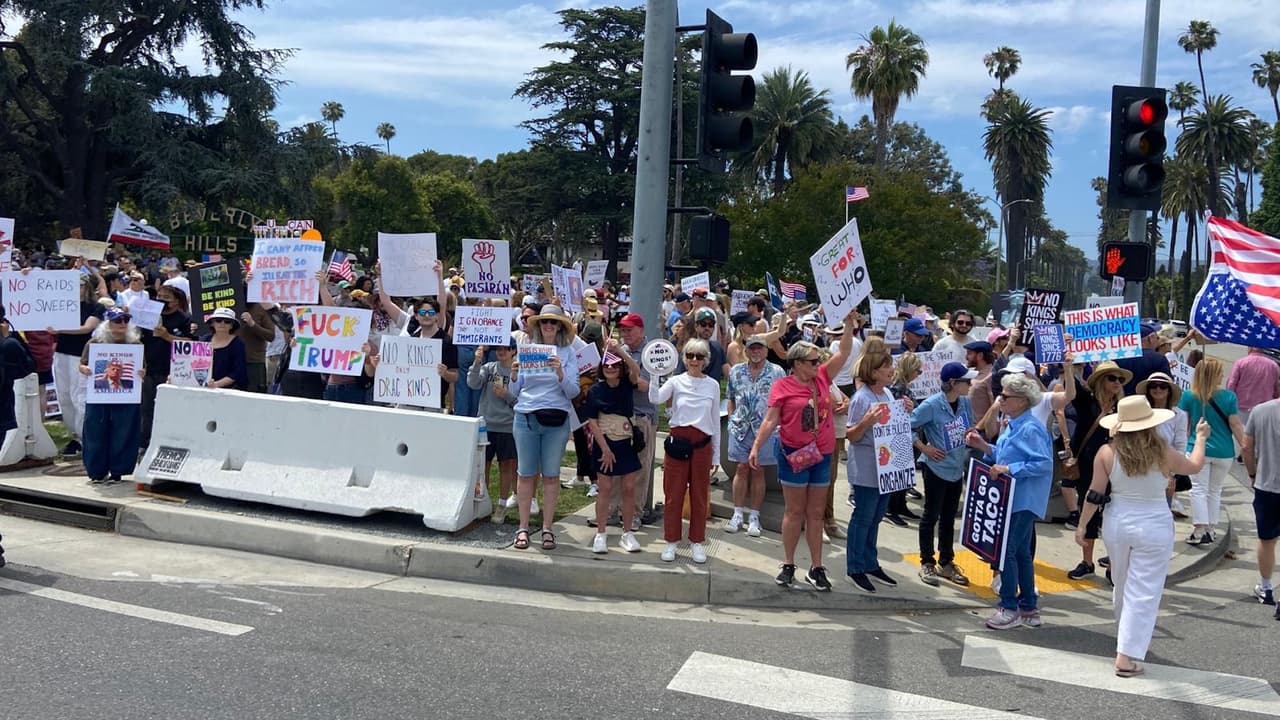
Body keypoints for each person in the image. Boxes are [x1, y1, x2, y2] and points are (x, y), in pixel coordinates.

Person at [1076, 396, 1211, 675]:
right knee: (1144, 590)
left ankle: (1124, 638)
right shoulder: (1161, 451)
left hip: (1117, 521)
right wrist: (1199, 438)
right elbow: (1194, 466)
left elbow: (1095, 493)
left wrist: (1082, 526)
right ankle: (1126, 654)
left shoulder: (1106, 452)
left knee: (1122, 583)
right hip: (1154, 523)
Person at [750, 322, 858, 590]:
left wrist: (847, 325)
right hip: (793, 455)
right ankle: (788, 563)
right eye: (811, 360)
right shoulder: (782, 386)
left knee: (816, 513)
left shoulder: (822, 377)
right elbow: (770, 420)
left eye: (817, 359)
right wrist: (756, 447)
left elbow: (843, 352)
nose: (817, 363)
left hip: (821, 454)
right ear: (797, 363)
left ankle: (817, 566)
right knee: (794, 511)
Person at [965, 373, 1054, 630]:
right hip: (1013, 497)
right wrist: (984, 446)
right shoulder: (1013, 423)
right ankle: (1028, 607)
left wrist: (1009, 469)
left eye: (1005, 396)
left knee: (1007, 553)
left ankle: (1009, 607)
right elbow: (1003, 456)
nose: (1000, 399)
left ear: (1022, 401)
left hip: (1024, 498)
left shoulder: (1031, 427)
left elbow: (1043, 464)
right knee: (1021, 553)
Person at [510, 304, 581, 552]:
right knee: (525, 474)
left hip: (556, 420)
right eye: (544, 322)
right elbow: (514, 393)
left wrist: (560, 372)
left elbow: (574, 391)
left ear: (560, 326)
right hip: (526, 416)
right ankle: (523, 526)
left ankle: (548, 528)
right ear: (538, 326)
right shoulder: (526, 351)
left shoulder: (568, 353)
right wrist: (513, 376)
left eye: (553, 322)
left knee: (551, 475)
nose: (548, 326)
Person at [844, 342, 911, 593]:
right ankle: (855, 566)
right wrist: (866, 421)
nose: (891, 371)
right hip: (867, 467)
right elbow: (851, 435)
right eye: (887, 367)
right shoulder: (861, 399)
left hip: (886, 466)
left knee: (875, 517)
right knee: (862, 517)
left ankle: (870, 562)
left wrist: (905, 411)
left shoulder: (888, 394)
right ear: (873, 372)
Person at [650, 337, 721, 564]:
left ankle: (697, 541)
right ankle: (671, 540)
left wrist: (716, 454)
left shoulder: (713, 385)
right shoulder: (676, 381)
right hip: (679, 442)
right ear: (684, 358)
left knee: (699, 496)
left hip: (702, 444)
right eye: (690, 355)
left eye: (699, 356)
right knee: (673, 495)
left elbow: (715, 422)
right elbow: (655, 398)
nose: (694, 360)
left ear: (705, 361)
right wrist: (653, 374)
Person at [911, 362, 976, 587]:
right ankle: (927, 561)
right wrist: (923, 447)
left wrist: (971, 434)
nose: (970, 384)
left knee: (949, 518)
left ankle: (946, 562)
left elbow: (970, 426)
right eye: (966, 381)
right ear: (952, 383)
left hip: (956, 468)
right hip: (935, 467)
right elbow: (907, 425)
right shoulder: (931, 405)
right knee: (931, 515)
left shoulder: (966, 403)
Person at [1065, 360, 1131, 580]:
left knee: (1114, 514)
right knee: (1089, 507)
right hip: (1088, 464)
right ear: (1101, 381)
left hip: (1117, 466)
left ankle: (1113, 564)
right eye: (1112, 378)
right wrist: (1068, 365)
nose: (1117, 383)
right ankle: (1087, 561)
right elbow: (1071, 389)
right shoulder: (1088, 402)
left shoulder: (1123, 407)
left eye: (1120, 379)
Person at [1178, 357, 1246, 545]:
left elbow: (1184, 424)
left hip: (1197, 448)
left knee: (1198, 489)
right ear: (1215, 375)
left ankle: (1200, 528)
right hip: (1224, 451)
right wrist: (1245, 445)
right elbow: (1235, 423)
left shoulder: (1189, 396)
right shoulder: (1229, 396)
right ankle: (1211, 528)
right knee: (1215, 490)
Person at [584, 351, 643, 554]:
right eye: (607, 365)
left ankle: (627, 533)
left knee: (628, 488)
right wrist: (605, 449)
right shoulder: (595, 391)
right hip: (605, 442)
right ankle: (601, 533)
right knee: (605, 488)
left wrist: (620, 351)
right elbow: (592, 421)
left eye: (615, 366)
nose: (610, 369)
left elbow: (636, 369)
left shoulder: (627, 384)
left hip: (626, 441)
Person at [725, 336, 785, 538]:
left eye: (760, 348)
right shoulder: (736, 371)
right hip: (740, 428)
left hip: (765, 430)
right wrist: (733, 417)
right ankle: (737, 513)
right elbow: (731, 397)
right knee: (740, 469)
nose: (756, 351)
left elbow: (783, 402)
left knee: (758, 471)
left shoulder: (777, 372)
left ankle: (754, 516)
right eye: (752, 348)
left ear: (766, 351)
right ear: (747, 350)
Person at [78, 308, 144, 485]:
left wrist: (142, 372)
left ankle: (118, 471)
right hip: (99, 396)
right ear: (108, 323)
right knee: (95, 432)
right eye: (117, 321)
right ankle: (96, 471)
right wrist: (85, 369)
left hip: (126, 397)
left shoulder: (135, 345)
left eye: (125, 320)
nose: (122, 324)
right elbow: (82, 364)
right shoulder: (94, 343)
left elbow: (143, 368)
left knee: (124, 432)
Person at [52, 273, 105, 456]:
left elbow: (86, 327)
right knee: (64, 396)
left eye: (80, 286)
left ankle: (84, 437)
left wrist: (60, 329)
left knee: (78, 396)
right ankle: (73, 436)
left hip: (79, 355)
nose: (76, 290)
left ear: (87, 288)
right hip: (61, 352)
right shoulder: (64, 305)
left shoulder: (95, 307)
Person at [469, 339, 520, 524]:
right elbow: (473, 383)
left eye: (506, 348)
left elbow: (521, 402)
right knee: (483, 466)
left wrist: (506, 395)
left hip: (507, 426)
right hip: (486, 424)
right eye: (498, 348)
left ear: (513, 350)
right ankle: (483, 501)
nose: (501, 351)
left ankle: (501, 504)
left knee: (506, 466)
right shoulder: (489, 367)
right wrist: (477, 362)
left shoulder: (517, 371)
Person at [139, 283, 192, 451]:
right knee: (146, 409)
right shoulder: (148, 316)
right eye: (159, 297)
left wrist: (167, 336)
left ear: (177, 301)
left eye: (166, 298)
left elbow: (192, 343)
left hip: (172, 371)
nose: (161, 301)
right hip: (148, 370)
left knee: (168, 409)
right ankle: (145, 443)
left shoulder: (184, 319)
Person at [1242, 397, 1280, 616]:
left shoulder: (1260, 410)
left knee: (1267, 540)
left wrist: (1253, 473)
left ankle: (1266, 588)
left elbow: (1247, 447)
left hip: (1267, 484)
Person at [1136, 371, 1188, 510]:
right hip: (1141, 466)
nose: (1158, 389)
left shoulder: (1179, 415)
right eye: (1153, 385)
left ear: (1169, 390)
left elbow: (1180, 445)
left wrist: (1173, 474)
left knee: (1162, 510)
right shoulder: (1140, 411)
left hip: (1165, 468)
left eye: (1163, 386)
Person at [884, 352, 923, 526]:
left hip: (907, 435)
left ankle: (900, 505)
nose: (919, 374)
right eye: (918, 371)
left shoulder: (903, 387)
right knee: (898, 474)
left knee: (904, 475)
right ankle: (891, 508)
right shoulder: (898, 388)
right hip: (901, 436)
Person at [1226, 347, 1280, 428]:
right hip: (1264, 409)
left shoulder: (1240, 362)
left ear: (1250, 348)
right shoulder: (1273, 366)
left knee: (1242, 436)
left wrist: (1229, 404)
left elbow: (1231, 384)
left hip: (1242, 407)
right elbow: (1277, 389)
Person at [206, 307, 248, 390]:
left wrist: (217, 384)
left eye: (227, 321)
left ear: (232, 326)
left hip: (231, 391)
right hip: (204, 388)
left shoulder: (238, 344)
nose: (222, 323)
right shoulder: (204, 340)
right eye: (218, 320)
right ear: (212, 323)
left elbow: (238, 372)